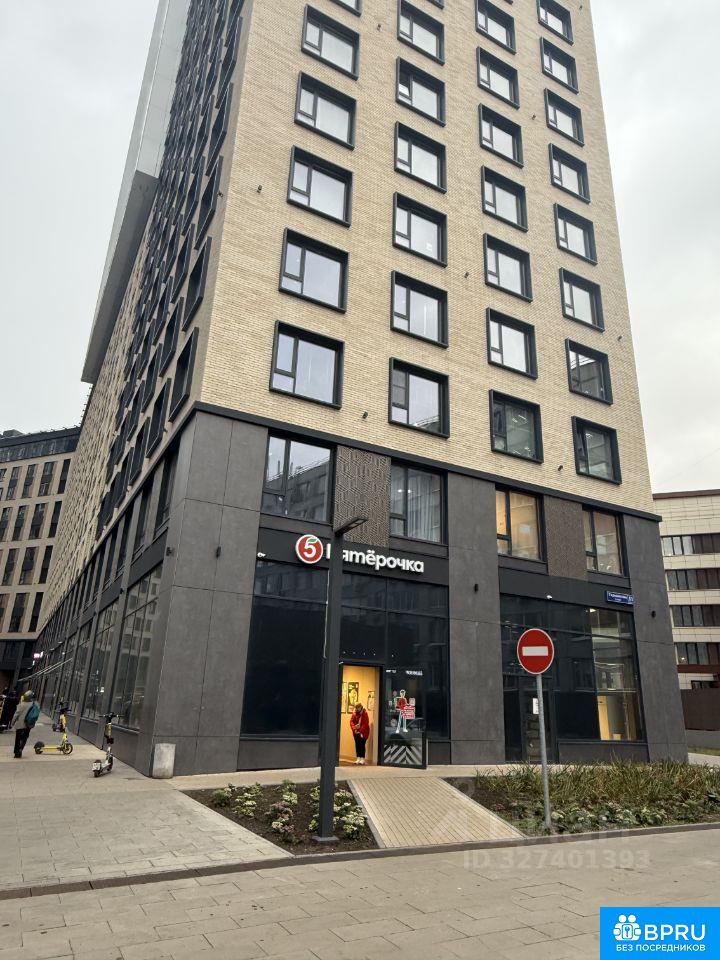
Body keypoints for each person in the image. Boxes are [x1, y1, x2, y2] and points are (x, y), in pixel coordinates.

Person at [9, 691, 40, 758]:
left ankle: (16, 752)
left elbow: (16, 714)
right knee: (25, 737)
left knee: (18, 738)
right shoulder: (34, 704)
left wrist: (12, 723)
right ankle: (21, 748)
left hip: (19, 725)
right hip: (28, 724)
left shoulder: (21, 704)